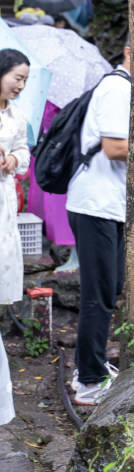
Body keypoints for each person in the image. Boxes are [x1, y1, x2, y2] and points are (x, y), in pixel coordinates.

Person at [66, 38, 131, 405]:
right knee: (99, 294)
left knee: (112, 285)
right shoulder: (116, 88)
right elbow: (113, 147)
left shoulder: (126, 88)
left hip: (109, 204)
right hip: (94, 204)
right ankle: (90, 379)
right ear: (129, 51)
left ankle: (87, 367)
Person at [0, 49, 31, 425]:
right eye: (16, 77)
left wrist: (12, 161)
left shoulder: (15, 115)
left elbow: (23, 152)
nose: (21, 85)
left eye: (25, 80)